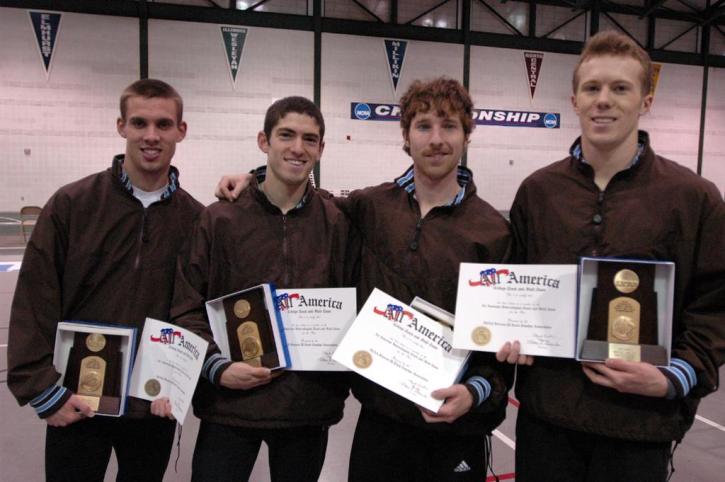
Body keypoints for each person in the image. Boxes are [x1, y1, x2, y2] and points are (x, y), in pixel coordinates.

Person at [216, 77, 514, 482]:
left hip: (455, 424)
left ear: (467, 136)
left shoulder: (493, 230)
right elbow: (301, 199)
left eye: (450, 126)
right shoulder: (371, 206)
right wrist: (255, 179)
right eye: (424, 126)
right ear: (407, 136)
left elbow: (499, 343)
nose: (437, 139)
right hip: (381, 423)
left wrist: (475, 393)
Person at [506, 31, 725, 481]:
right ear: (575, 99)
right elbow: (515, 287)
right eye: (592, 88)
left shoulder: (693, 198)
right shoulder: (539, 191)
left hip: (639, 426)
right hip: (548, 422)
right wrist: (510, 333)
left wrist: (673, 377)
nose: (603, 100)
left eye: (620, 88)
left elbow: (716, 305)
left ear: (645, 100)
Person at [7, 79, 203, 481]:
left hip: (153, 402)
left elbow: (197, 308)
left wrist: (180, 381)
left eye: (164, 125)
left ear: (180, 131)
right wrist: (42, 390)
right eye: (140, 123)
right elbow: (34, 299)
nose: (151, 136)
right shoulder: (72, 205)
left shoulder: (196, 219)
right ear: (121, 127)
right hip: (77, 398)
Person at [170, 96, 351, 482]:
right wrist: (216, 367)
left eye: (310, 139)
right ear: (263, 141)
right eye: (286, 135)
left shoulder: (338, 222)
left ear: (322, 148)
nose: (298, 148)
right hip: (230, 406)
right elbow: (186, 307)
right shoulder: (219, 219)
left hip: (307, 407)